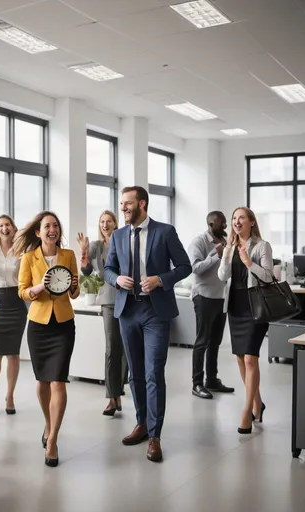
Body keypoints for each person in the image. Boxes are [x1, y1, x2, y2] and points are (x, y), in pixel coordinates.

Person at [104, 186, 191, 463]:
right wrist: (116, 279)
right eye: (121, 204)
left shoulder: (165, 232)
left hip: (155, 311)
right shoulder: (117, 235)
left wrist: (160, 280)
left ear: (142, 204)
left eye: (127, 204)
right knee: (135, 374)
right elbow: (108, 269)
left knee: (154, 373)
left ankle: (155, 436)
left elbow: (185, 266)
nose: (123, 209)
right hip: (127, 311)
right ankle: (141, 423)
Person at [15, 211, 79, 468]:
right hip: (39, 325)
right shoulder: (29, 258)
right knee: (42, 381)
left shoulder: (69, 255)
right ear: (38, 232)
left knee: (58, 381)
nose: (52, 229)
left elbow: (74, 292)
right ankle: (48, 422)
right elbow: (22, 292)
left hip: (63, 324)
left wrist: (75, 284)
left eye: (55, 225)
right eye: (47, 226)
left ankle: (52, 439)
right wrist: (40, 287)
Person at [218, 207, 273, 434]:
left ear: (251, 222)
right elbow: (222, 276)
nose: (236, 221)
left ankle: (247, 409)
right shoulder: (230, 247)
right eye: (234, 218)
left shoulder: (262, 246)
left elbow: (269, 276)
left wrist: (249, 262)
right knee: (241, 358)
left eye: (241, 217)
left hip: (256, 306)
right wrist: (226, 255)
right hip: (236, 306)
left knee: (251, 358)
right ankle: (258, 403)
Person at [77, 210, 128, 416]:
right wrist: (83, 253)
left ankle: (118, 393)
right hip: (108, 300)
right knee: (111, 348)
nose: (105, 225)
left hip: (127, 298)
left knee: (125, 349)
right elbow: (87, 272)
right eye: (102, 222)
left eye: (109, 221)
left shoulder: (124, 242)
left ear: (116, 224)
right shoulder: (96, 246)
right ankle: (111, 397)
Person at [188, 211, 234, 399]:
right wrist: (216, 254)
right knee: (202, 342)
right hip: (204, 296)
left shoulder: (226, 240)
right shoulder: (199, 242)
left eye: (225, 223)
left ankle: (212, 380)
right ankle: (197, 384)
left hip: (221, 296)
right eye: (221, 223)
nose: (225, 226)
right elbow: (195, 268)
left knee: (215, 341)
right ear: (210, 223)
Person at [0, 215, 27, 415]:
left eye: (7, 225)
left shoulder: (21, 250)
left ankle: (10, 395)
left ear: (13, 227)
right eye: (0, 225)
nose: (4, 228)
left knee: (13, 353)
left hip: (16, 301)